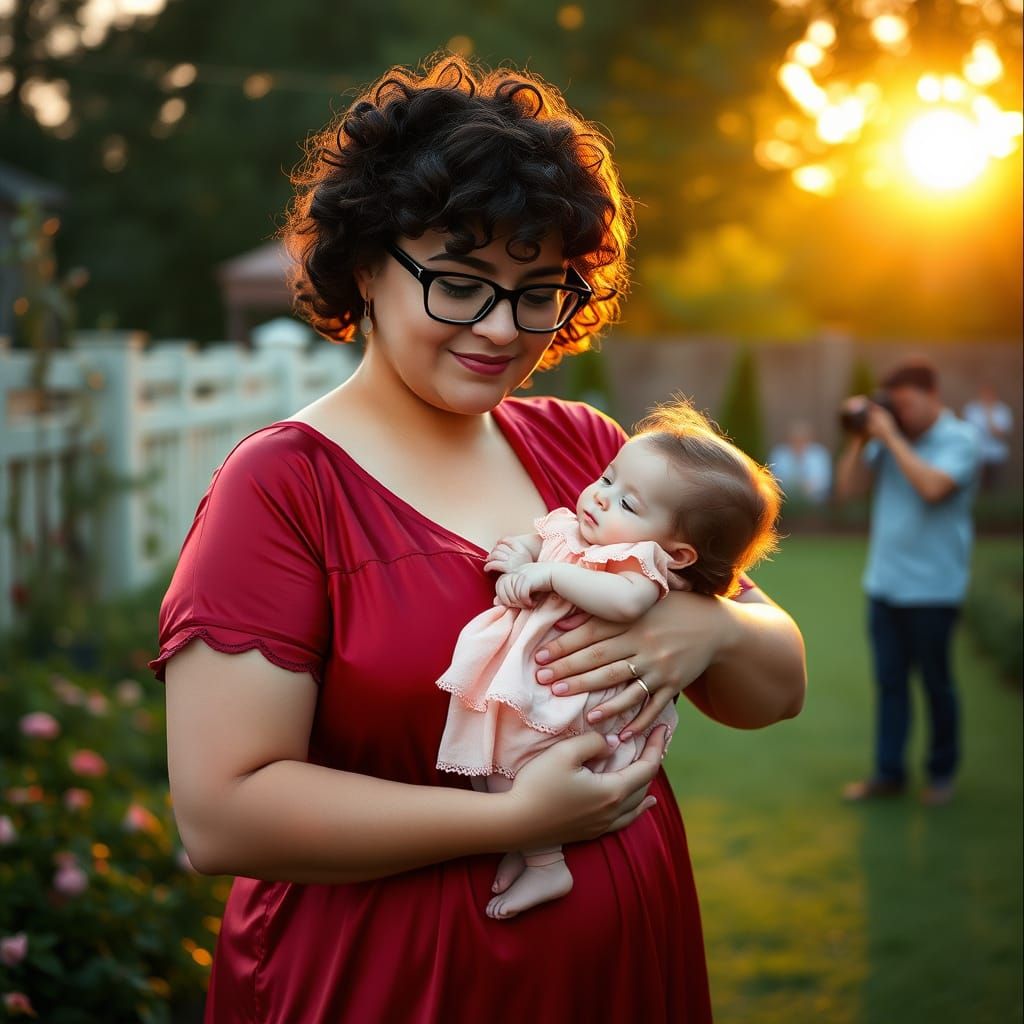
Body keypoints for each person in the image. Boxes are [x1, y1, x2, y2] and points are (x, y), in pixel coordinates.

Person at [151, 56, 806, 1023]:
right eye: (461, 283)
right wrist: (512, 822)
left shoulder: (586, 453)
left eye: (540, 290)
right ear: (367, 263)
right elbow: (222, 815)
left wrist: (716, 633)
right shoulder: (284, 487)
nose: (503, 329)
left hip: (621, 965)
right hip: (388, 981)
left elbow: (775, 690)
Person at [437, 401, 782, 920]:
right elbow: (542, 538)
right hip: (541, 689)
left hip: (571, 708)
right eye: (606, 478)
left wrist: (549, 577)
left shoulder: (642, 563)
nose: (600, 498)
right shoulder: (581, 530)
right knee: (497, 765)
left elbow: (625, 602)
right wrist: (520, 555)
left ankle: (546, 861)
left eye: (629, 504)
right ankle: (533, 850)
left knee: (517, 766)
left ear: (680, 553)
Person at [835, 357, 980, 808]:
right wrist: (861, 438)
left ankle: (941, 774)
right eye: (892, 406)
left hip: (935, 589)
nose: (900, 413)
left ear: (933, 396)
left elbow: (934, 488)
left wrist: (891, 437)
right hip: (885, 584)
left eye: (906, 404)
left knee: (937, 685)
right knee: (890, 684)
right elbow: (849, 490)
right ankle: (888, 773)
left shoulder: (961, 439)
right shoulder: (889, 438)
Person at [767, 419, 833, 505]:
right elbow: (774, 480)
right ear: (789, 439)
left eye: (803, 439)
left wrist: (808, 487)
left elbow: (825, 482)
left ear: (809, 439)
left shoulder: (820, 454)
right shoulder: (779, 454)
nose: (799, 442)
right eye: (795, 439)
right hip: (786, 504)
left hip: (815, 503)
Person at [962, 384, 1014, 491]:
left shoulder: (1003, 410)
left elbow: (1000, 433)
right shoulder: (972, 409)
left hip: (997, 454)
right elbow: (968, 431)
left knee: (995, 485)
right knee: (979, 486)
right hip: (978, 453)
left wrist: (989, 415)